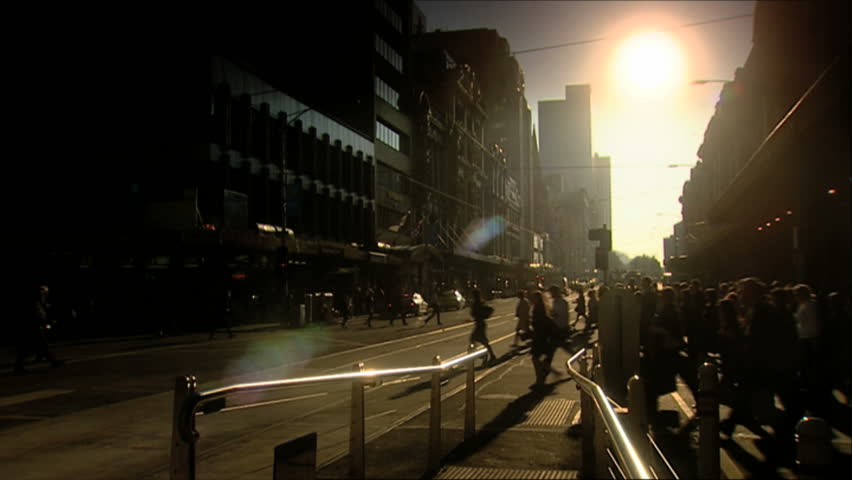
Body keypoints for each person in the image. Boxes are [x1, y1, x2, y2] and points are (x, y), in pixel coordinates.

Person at [14, 284, 63, 373]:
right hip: (33, 326)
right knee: (39, 345)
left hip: (33, 326)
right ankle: (53, 361)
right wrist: (43, 322)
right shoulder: (35, 303)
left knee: (35, 346)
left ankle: (53, 361)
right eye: (44, 293)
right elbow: (37, 315)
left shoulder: (37, 303)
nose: (45, 295)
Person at [529, 290, 556, 387]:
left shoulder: (538, 308)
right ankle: (541, 376)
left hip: (540, 337)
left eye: (533, 298)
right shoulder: (542, 307)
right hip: (542, 337)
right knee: (537, 358)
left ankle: (540, 379)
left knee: (535, 358)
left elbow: (538, 323)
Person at [469, 289, 497, 365]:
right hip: (480, 323)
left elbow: (474, 313)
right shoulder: (479, 302)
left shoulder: (477, 303)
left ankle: (480, 355)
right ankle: (486, 355)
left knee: (475, 339)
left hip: (480, 324)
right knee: (481, 340)